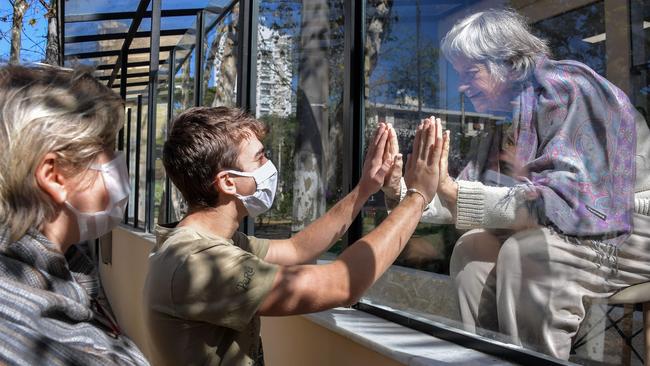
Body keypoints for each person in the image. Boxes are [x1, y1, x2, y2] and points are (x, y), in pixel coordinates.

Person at [382, 9, 650, 360]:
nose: (461, 86)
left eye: (470, 72)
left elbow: (565, 204)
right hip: (570, 227)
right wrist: (400, 191)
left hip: (628, 224)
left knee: (527, 254)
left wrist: (453, 191)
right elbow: (458, 198)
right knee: (472, 250)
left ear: (507, 61)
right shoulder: (506, 123)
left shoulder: (567, 87)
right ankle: (489, 357)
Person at [142, 106, 443, 366]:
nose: (269, 165)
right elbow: (341, 285)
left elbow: (297, 249)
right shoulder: (200, 264)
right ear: (228, 183)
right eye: (259, 157)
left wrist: (366, 188)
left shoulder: (212, 240)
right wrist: (418, 196)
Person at [0, 65, 148, 365]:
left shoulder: (57, 272)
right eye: (107, 148)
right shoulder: (41, 345)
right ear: (54, 176)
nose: (118, 163)